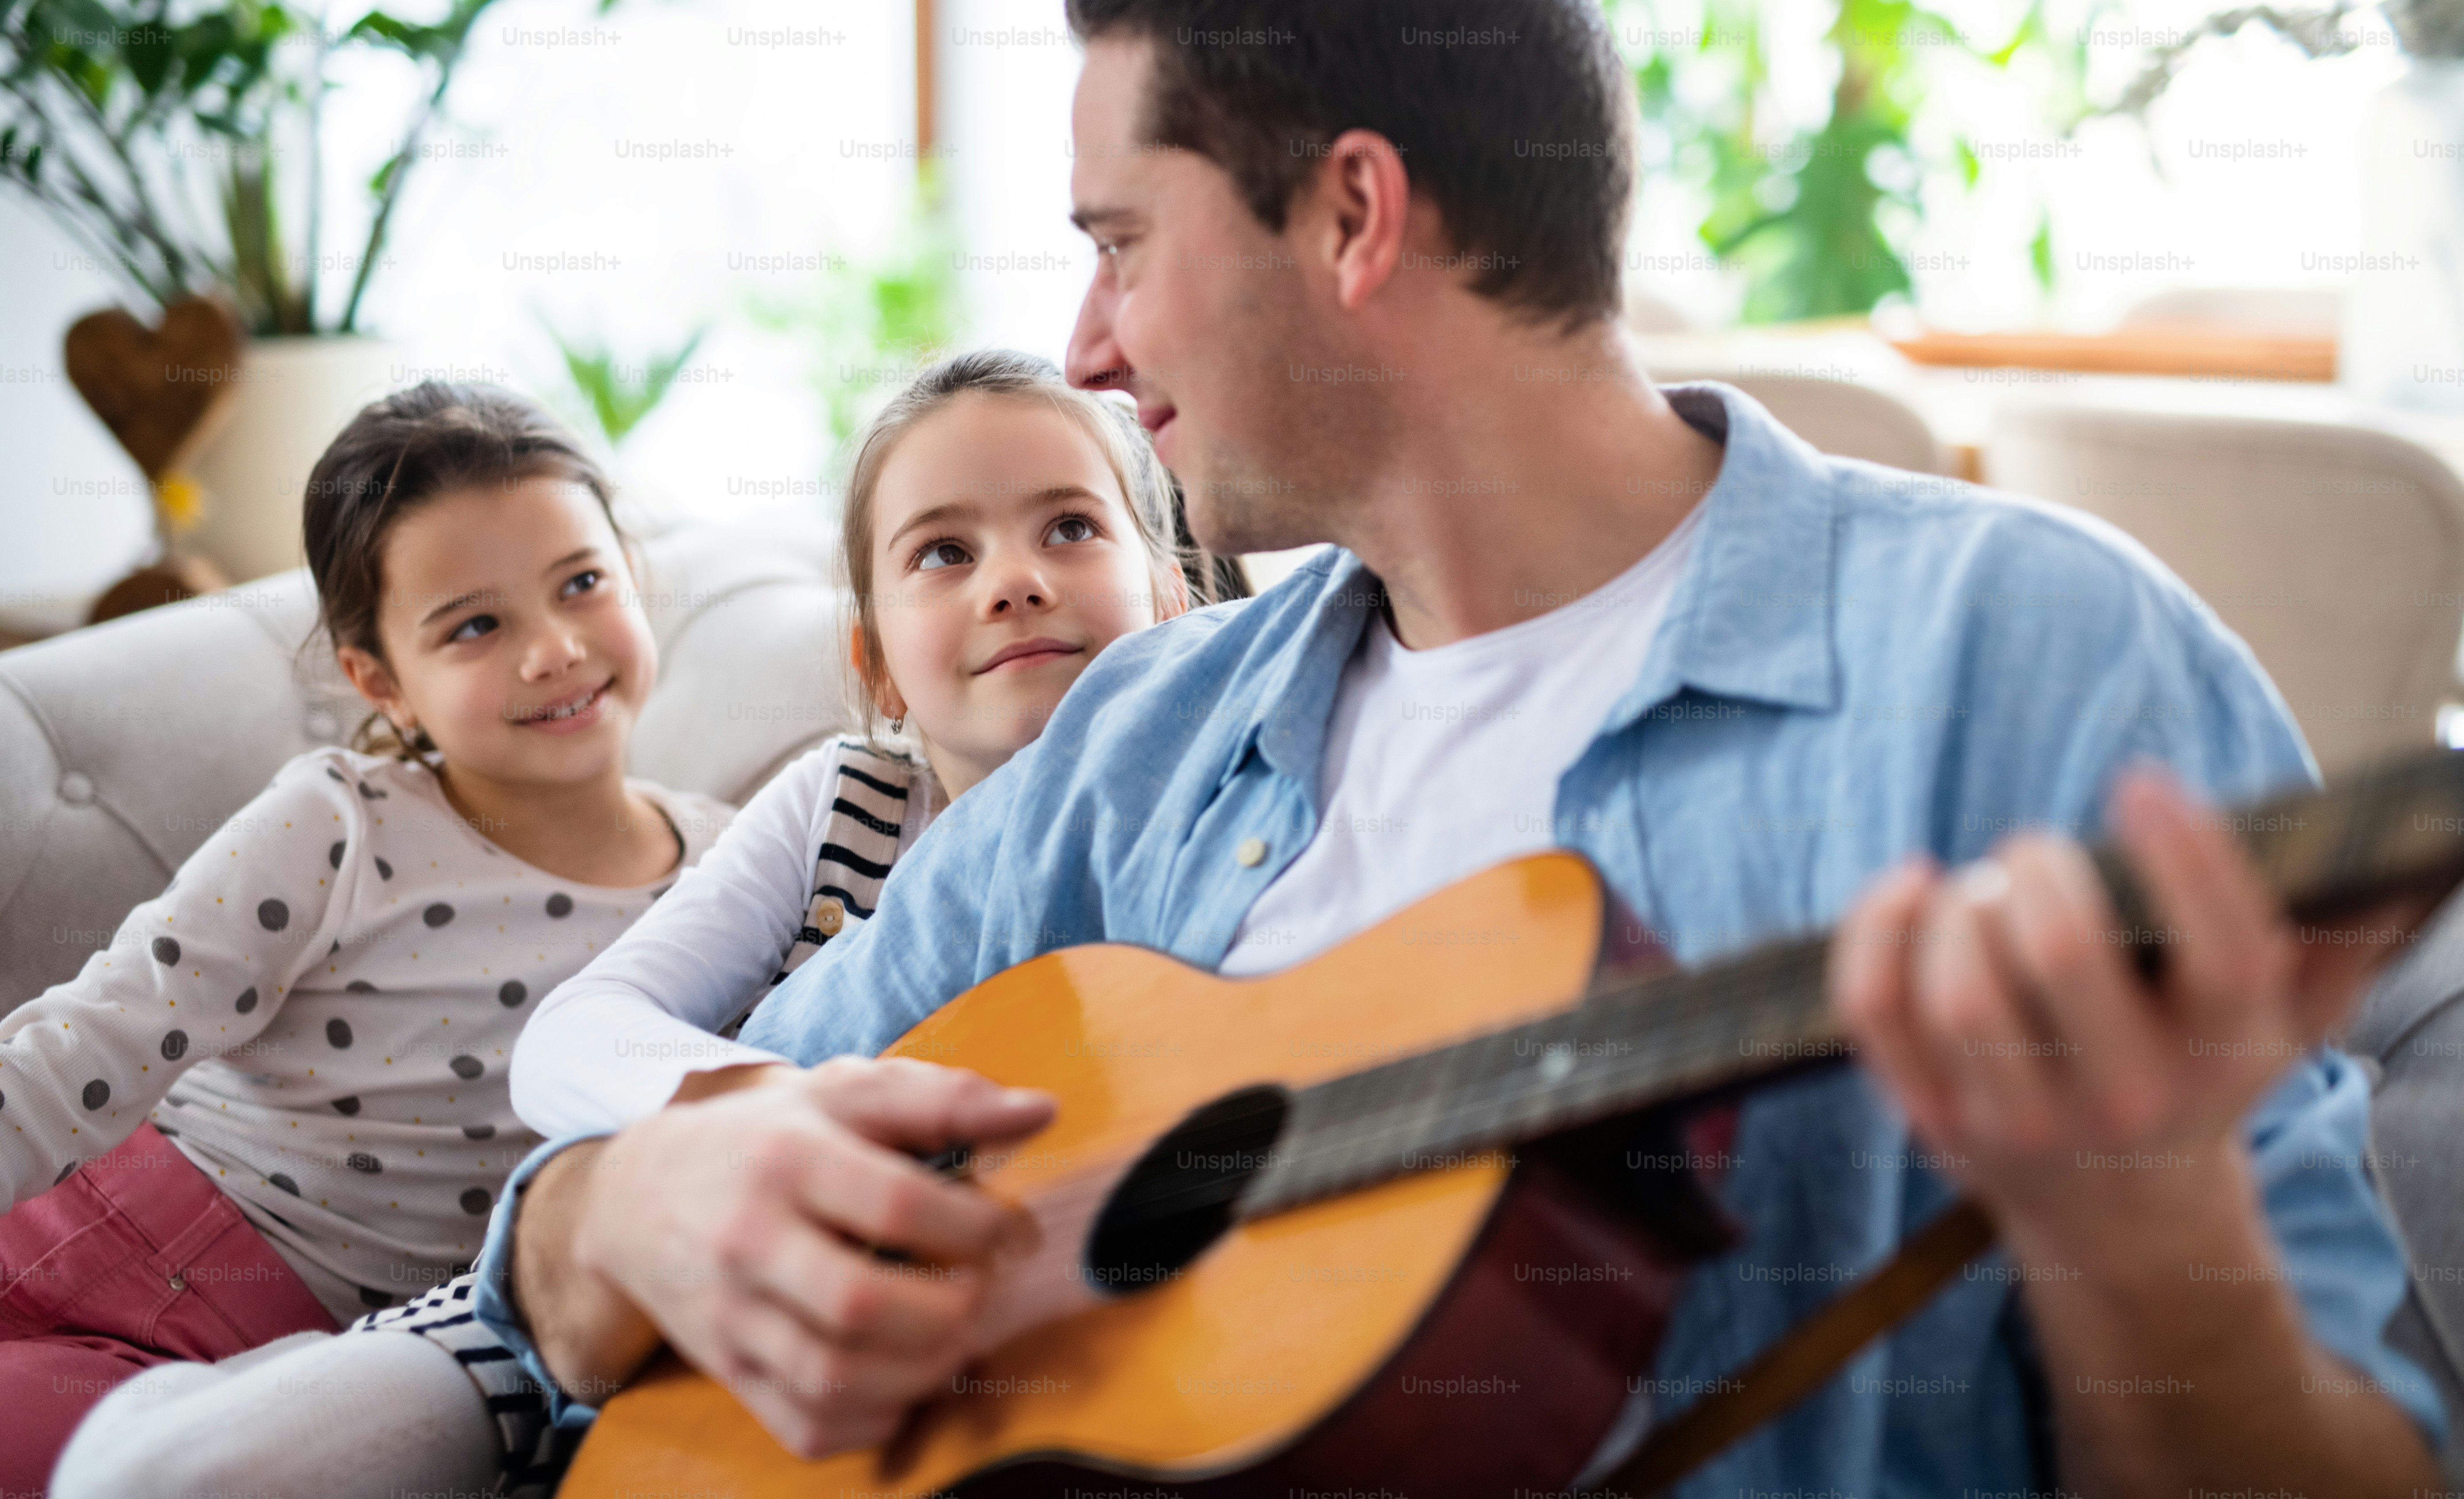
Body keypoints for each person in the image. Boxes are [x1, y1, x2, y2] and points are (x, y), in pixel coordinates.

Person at [487, 3, 2445, 1492]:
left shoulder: (2030, 663)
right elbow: (592, 1237)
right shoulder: (1149, 740)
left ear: (1352, 213)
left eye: (1120, 243)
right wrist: (634, 1208)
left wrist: (2145, 1224)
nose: (1085, 346)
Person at [49, 349, 1207, 1497]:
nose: (1014, 579)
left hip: (892, 1343)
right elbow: (577, 1034)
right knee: (152, 1476)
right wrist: (773, 1113)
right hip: (577, 1297)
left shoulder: (1211, 819)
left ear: (1170, 595)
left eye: (1069, 528)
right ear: (879, 664)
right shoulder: (840, 799)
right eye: (945, 552)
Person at [0, 382, 738, 1489]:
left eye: (582, 583)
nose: (554, 649)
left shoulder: (736, 867)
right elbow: (89, 1045)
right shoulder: (340, 824)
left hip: (316, 1375)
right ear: (381, 681)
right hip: (99, 1249)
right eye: (477, 625)